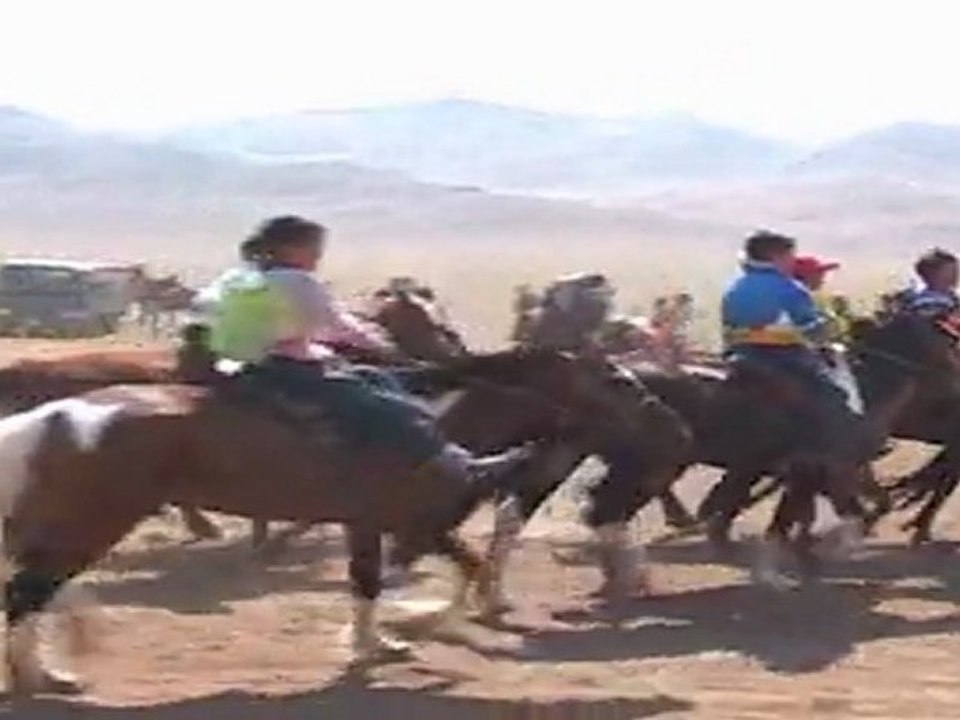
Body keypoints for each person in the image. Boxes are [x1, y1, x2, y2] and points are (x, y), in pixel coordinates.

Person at [203, 215, 528, 484]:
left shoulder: (243, 278)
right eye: (314, 248)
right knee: (383, 405)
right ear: (290, 248)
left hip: (244, 366)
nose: (318, 256)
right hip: (280, 370)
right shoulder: (297, 282)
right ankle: (461, 466)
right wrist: (381, 346)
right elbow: (337, 325)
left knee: (375, 378)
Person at [721, 230, 867, 459]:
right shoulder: (789, 288)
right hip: (783, 357)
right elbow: (814, 331)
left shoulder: (734, 287)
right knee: (834, 396)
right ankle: (828, 454)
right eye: (789, 256)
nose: (792, 262)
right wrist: (830, 332)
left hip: (739, 355)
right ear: (776, 257)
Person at [901, 248, 960, 318]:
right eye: (951, 271)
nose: (956, 274)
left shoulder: (952, 297)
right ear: (932, 275)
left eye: (956, 270)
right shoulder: (924, 301)